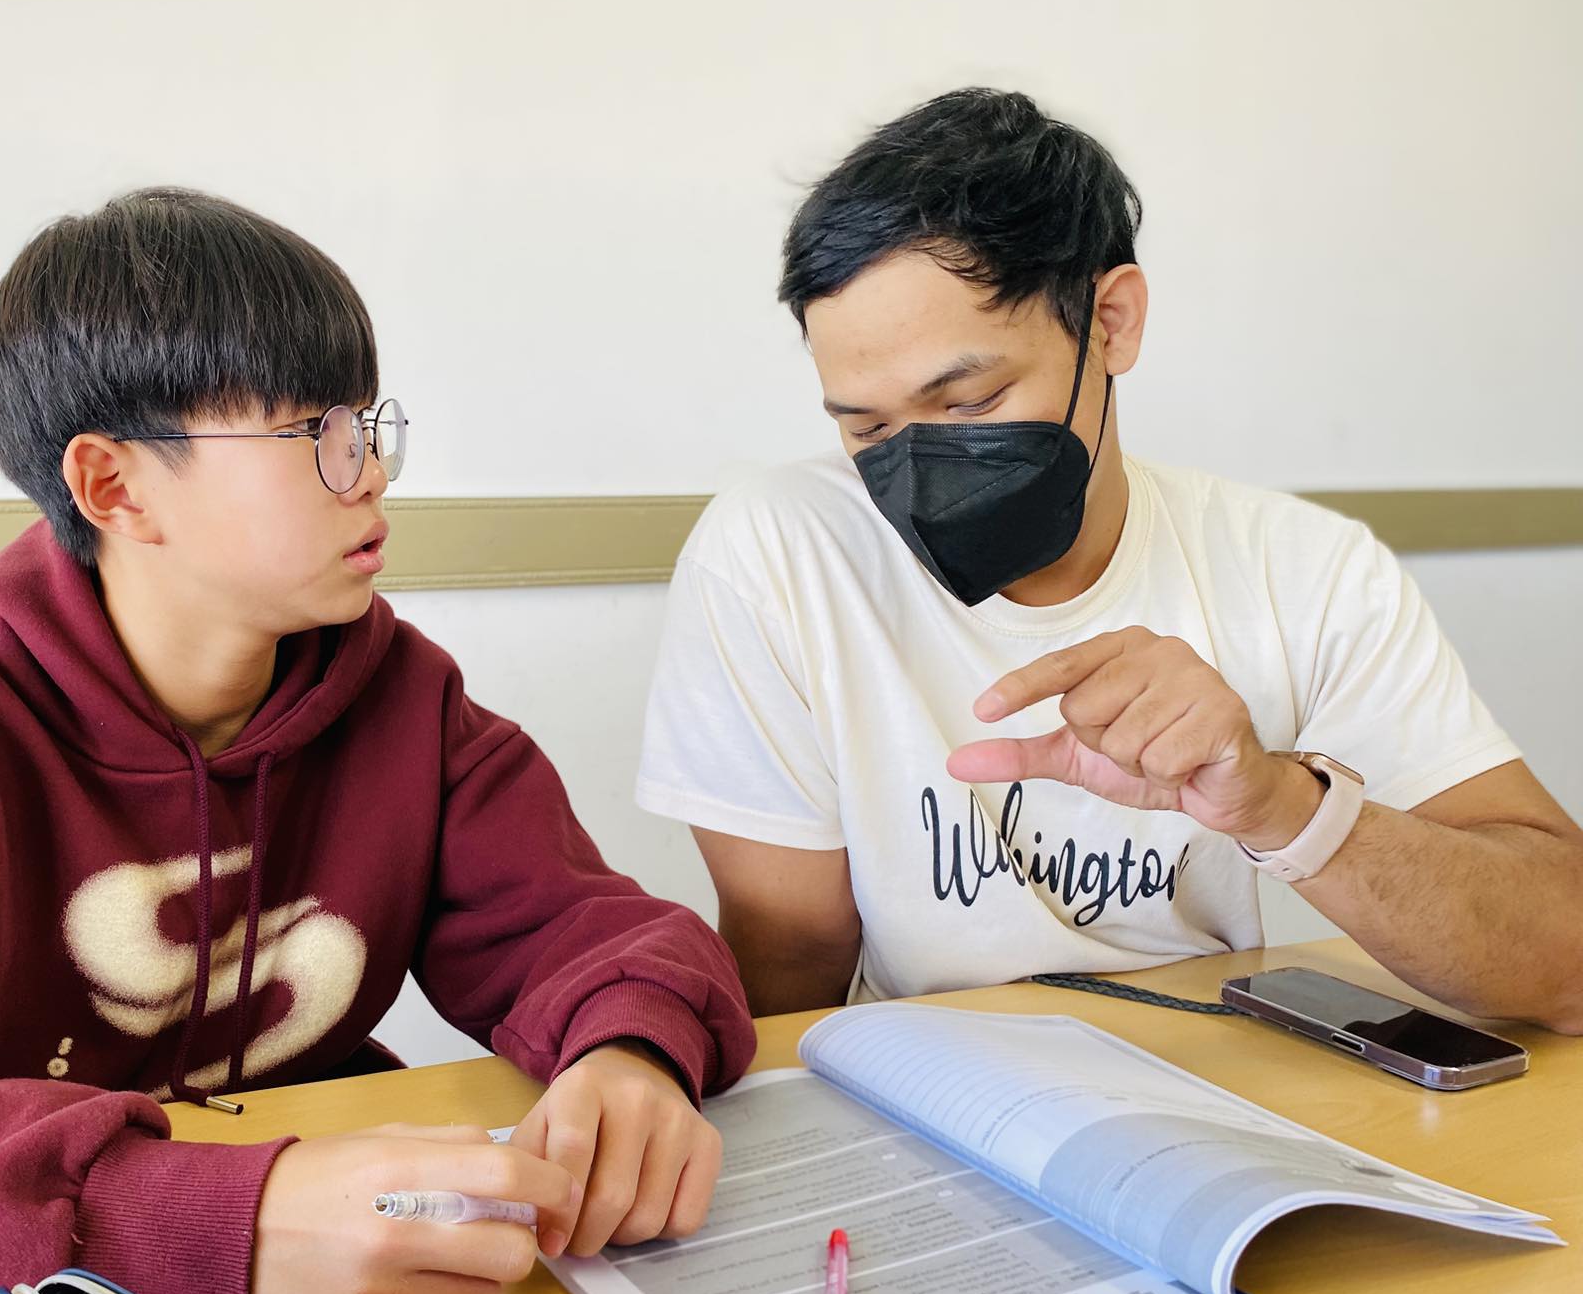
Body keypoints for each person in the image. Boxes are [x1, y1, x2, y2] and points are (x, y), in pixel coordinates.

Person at [0, 188, 755, 1294]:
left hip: (336, 1277)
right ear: (114, 488)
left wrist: (629, 1050)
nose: (371, 474)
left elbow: (595, 932)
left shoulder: (404, 701)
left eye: (368, 425)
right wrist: (190, 1219)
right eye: (314, 435)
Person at [637, 88, 1583, 1030]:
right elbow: (789, 968)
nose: (922, 471)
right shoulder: (780, 554)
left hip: (1215, 1078)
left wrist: (1280, 805)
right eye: (871, 429)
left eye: (971, 403)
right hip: (924, 1080)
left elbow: (1567, 963)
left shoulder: (1301, 570)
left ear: (1112, 322)